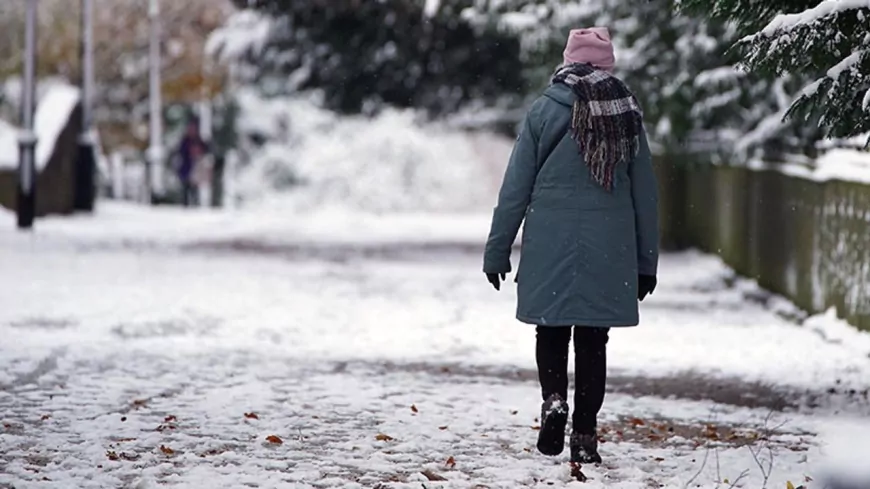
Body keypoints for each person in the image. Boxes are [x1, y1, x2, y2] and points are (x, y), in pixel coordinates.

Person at [482, 27, 659, 464]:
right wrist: (645, 261)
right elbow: (645, 194)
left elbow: (515, 187)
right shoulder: (625, 112)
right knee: (593, 340)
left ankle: (554, 400)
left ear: (567, 60)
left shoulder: (544, 109)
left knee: (552, 328)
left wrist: (497, 249)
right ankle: (584, 431)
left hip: (550, 236)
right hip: (609, 243)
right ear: (608, 63)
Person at [176, 118, 209, 207]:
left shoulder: (199, 140)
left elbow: (205, 150)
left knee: (194, 190)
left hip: (196, 169)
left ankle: (195, 205)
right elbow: (181, 152)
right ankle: (185, 205)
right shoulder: (185, 141)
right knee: (185, 189)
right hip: (186, 168)